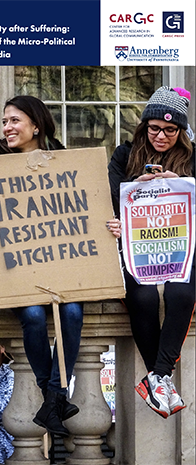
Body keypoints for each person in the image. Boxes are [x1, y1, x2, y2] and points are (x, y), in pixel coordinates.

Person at [0, 95, 117, 437]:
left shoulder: (67, 163)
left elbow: (90, 211)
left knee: (71, 314)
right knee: (32, 316)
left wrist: (111, 225)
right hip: (18, 273)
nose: (7, 128)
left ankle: (54, 394)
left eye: (14, 120)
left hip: (63, 269)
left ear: (36, 125)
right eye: (4, 122)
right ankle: (53, 394)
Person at [107, 86, 195, 419]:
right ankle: (161, 378)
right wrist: (134, 188)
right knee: (141, 298)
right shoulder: (123, 154)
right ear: (144, 126)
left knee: (182, 295)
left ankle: (157, 377)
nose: (161, 135)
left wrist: (183, 184)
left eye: (170, 130)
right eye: (154, 128)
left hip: (183, 249)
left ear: (181, 131)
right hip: (137, 249)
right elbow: (109, 197)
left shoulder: (193, 156)